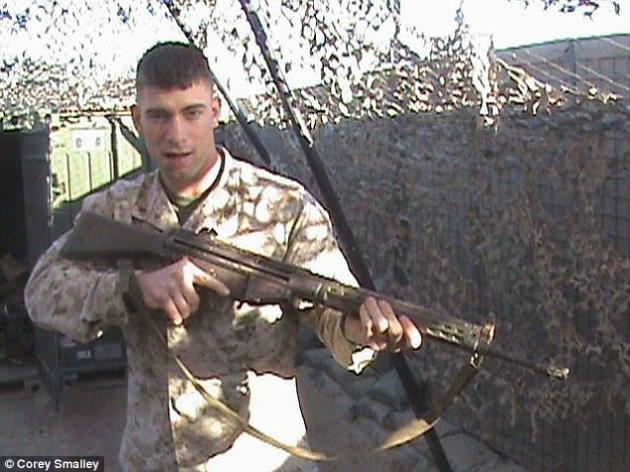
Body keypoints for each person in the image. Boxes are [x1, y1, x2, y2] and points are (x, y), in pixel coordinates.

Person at [25, 42, 422, 471]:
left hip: (261, 458)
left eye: (191, 112)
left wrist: (359, 330)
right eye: (159, 116)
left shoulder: (281, 207)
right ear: (137, 119)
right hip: (153, 456)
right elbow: (42, 289)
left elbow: (330, 308)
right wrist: (133, 289)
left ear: (215, 111)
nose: (176, 134)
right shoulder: (116, 210)